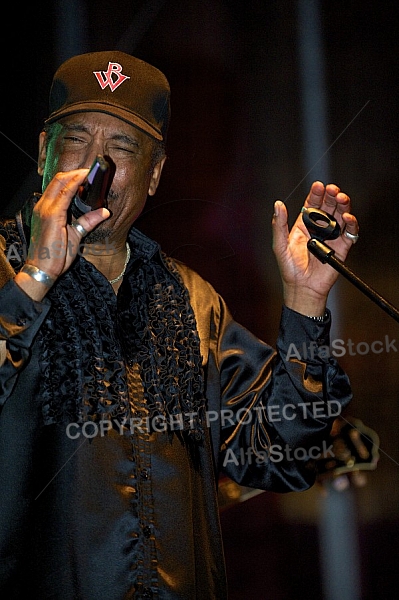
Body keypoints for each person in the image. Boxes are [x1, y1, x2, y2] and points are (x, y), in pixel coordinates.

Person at [0, 51, 358, 599]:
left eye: (122, 148)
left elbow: (284, 455)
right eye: (78, 140)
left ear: (155, 175)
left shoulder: (193, 303)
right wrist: (38, 274)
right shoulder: (5, 270)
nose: (97, 168)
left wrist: (305, 304)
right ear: (45, 151)